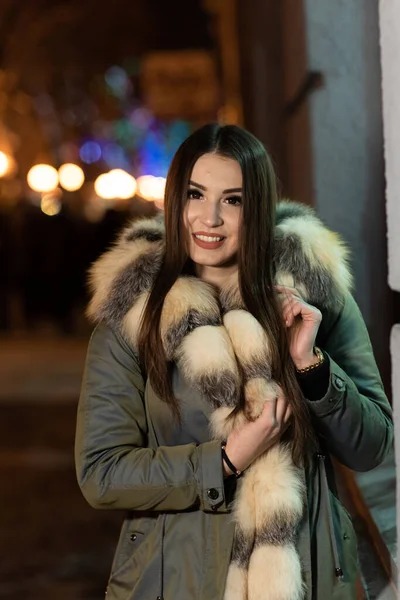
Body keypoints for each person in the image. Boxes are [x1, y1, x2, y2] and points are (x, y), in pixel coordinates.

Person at [75, 123, 393, 600]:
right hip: (178, 581)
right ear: (174, 199)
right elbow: (101, 472)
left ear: (258, 206)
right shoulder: (135, 314)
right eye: (195, 194)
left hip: (310, 578)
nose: (210, 219)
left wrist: (312, 366)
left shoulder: (314, 295)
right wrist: (222, 461)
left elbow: (372, 447)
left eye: (233, 200)